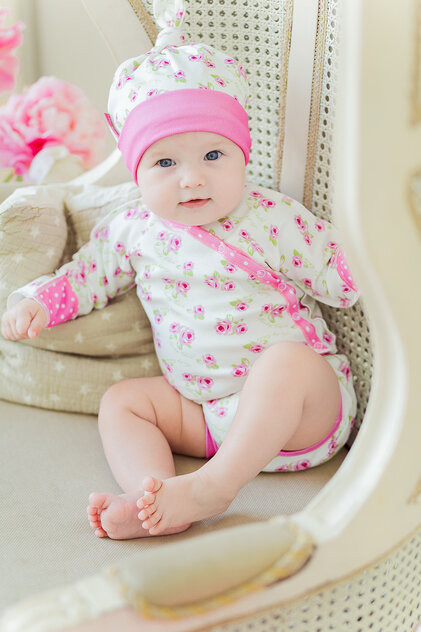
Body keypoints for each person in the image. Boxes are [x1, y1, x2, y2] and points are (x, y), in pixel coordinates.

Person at [1, 0, 359, 540]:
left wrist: (372, 253)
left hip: (303, 417)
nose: (192, 179)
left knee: (288, 362)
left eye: (213, 155)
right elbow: (85, 276)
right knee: (123, 402)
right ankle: (154, 497)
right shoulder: (132, 230)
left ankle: (213, 487)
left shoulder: (268, 217)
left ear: (242, 154)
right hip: (206, 416)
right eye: (165, 162)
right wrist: (38, 303)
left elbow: (342, 273)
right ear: (137, 171)